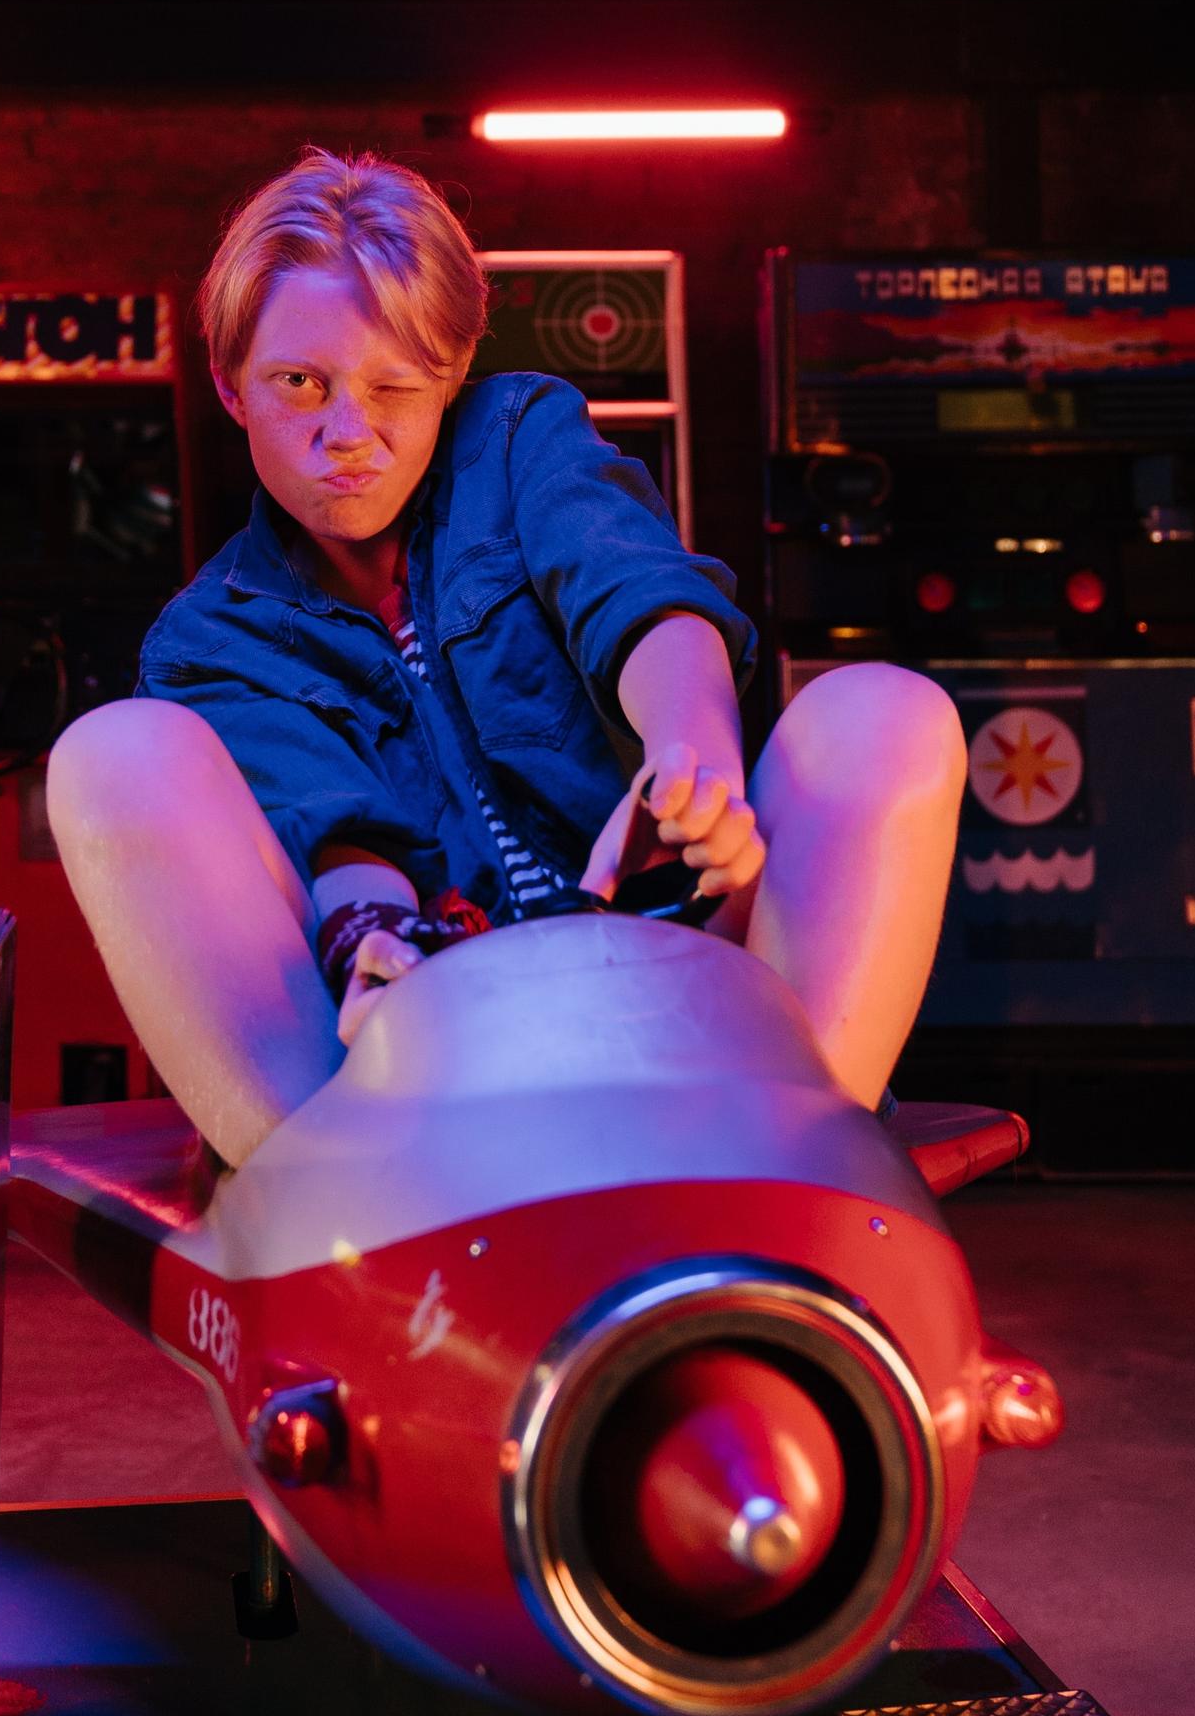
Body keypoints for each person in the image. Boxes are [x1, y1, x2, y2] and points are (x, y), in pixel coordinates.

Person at [48, 150, 966, 1168]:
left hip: (682, 998)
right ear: (230, 385)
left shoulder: (520, 437)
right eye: (299, 383)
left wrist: (691, 764)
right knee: (113, 750)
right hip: (417, 1059)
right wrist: (373, 942)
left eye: (394, 385)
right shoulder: (208, 639)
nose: (347, 433)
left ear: (449, 377)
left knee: (887, 710)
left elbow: (637, 590)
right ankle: (326, 1184)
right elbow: (331, 823)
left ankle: (802, 1156)